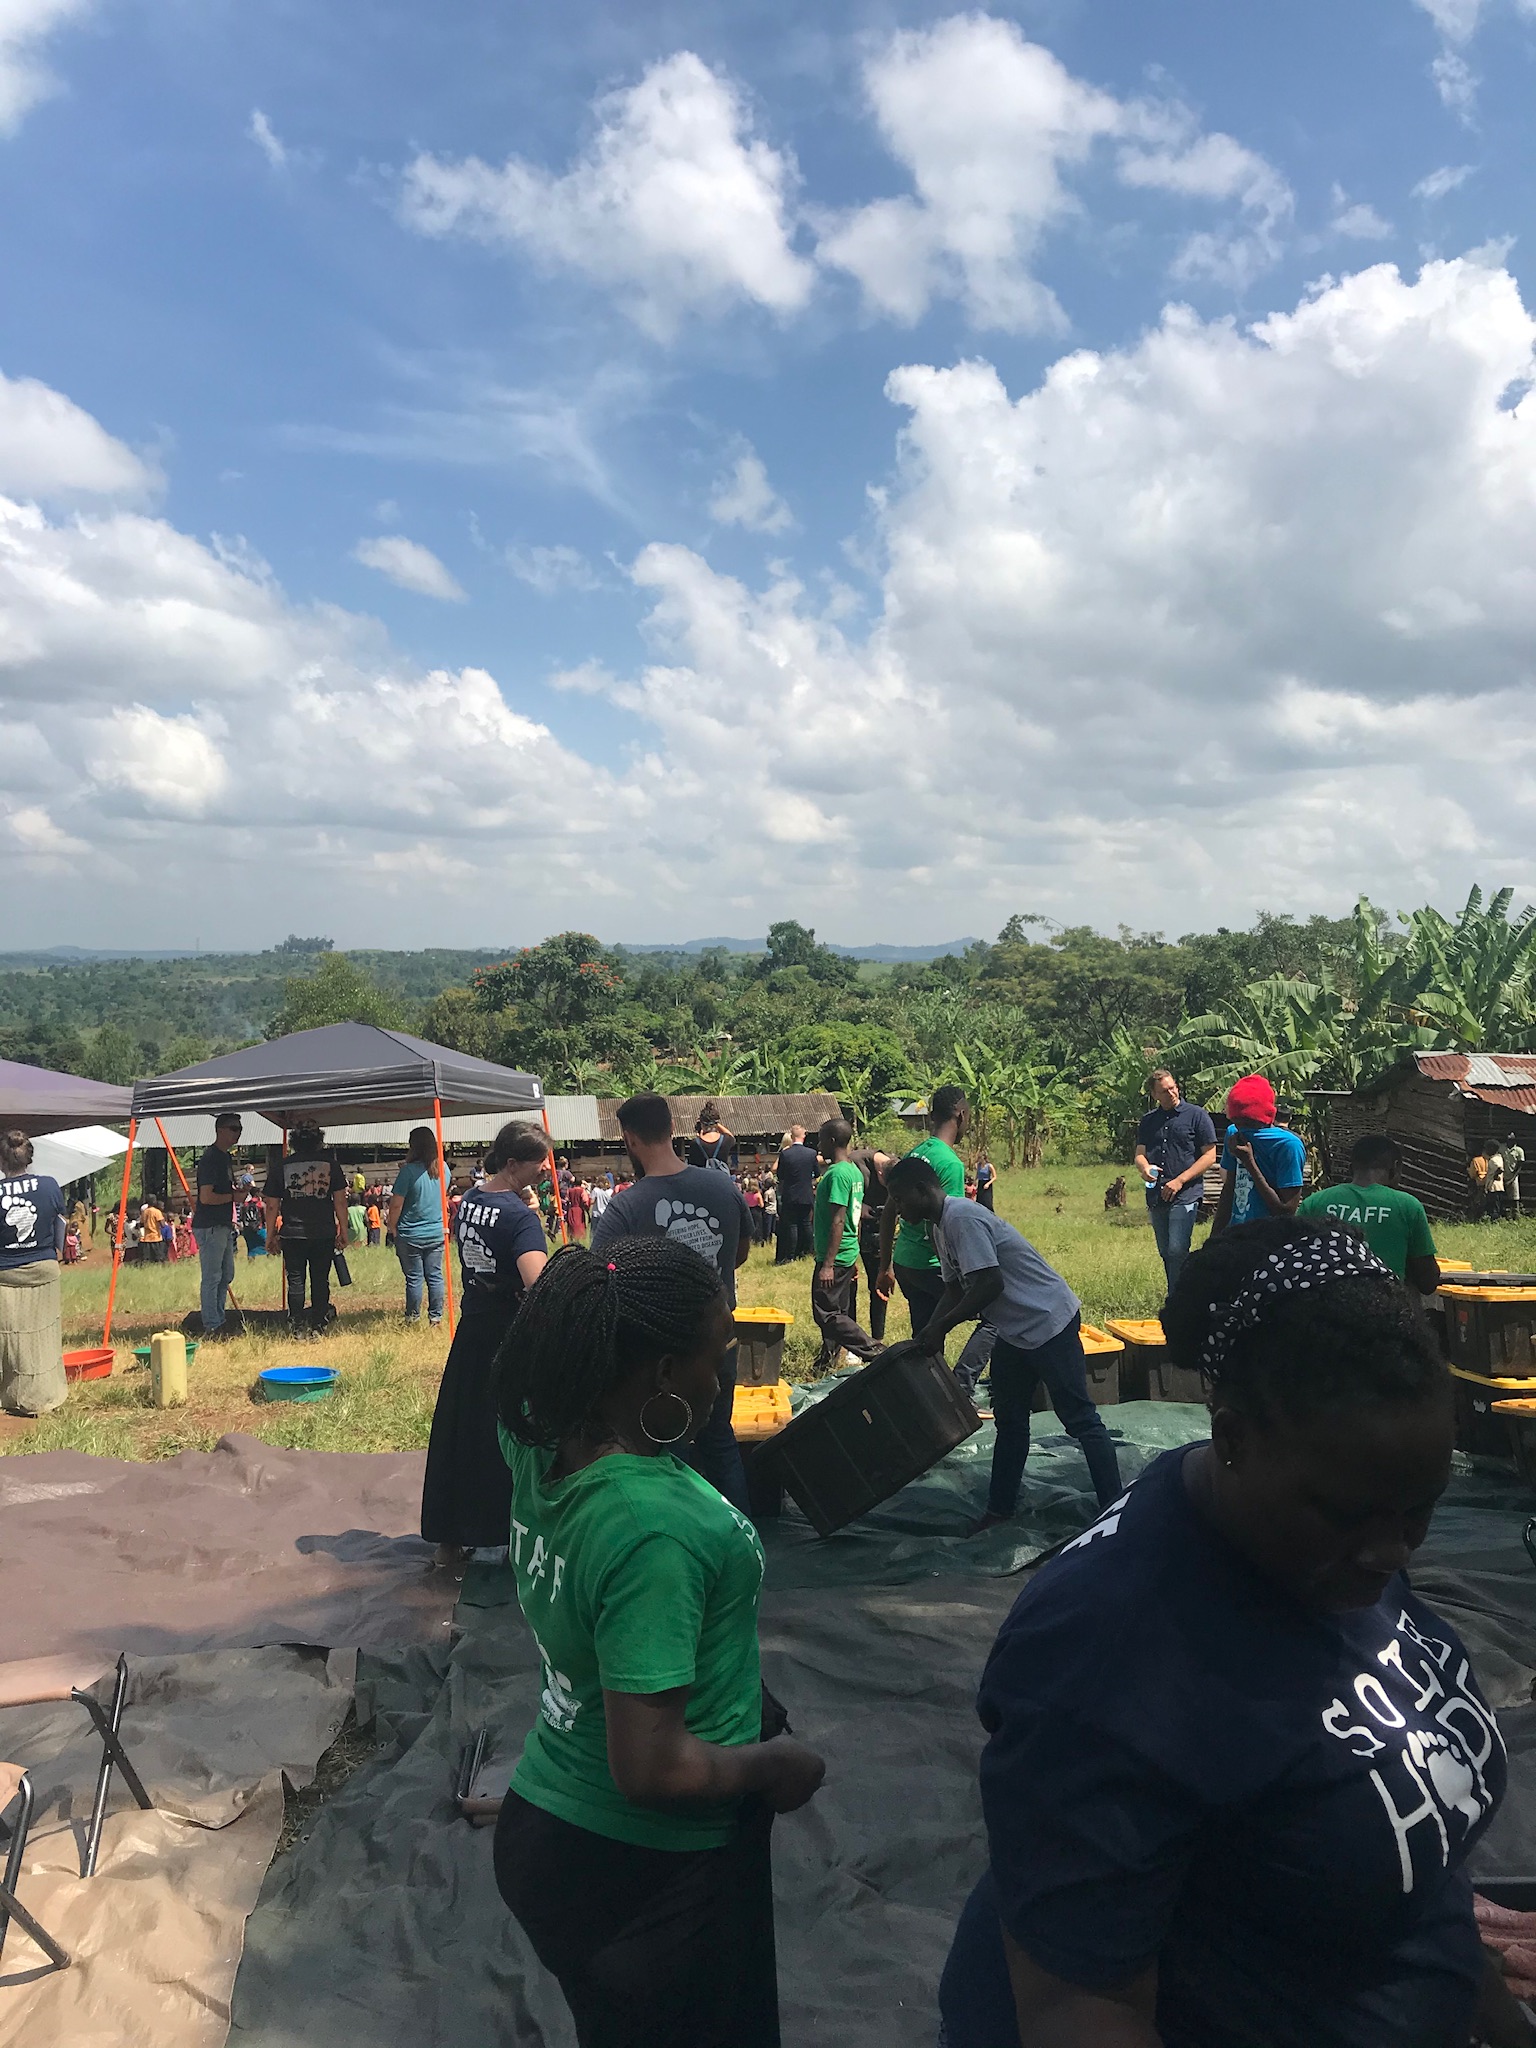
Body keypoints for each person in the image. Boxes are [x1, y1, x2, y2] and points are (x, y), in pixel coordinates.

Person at [937, 1216, 1523, 2048]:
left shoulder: (1326, 1545)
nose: (1393, 1552)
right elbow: (1080, 2010)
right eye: (1350, 1515)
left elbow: (1411, 1859)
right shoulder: (1108, 1654)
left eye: (1419, 1510)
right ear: (1233, 1439)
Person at [491, 1238, 826, 2048]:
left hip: (554, 1819)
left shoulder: (537, 1441)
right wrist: (775, 1765)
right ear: (666, 1374)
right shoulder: (657, 1530)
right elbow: (651, 1767)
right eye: (720, 1357)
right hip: (648, 1876)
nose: (726, 1378)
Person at [886, 1154, 1121, 1527]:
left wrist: (943, 1326)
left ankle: (1114, 1509)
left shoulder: (962, 1219)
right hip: (1014, 1331)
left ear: (922, 1189)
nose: (897, 1210)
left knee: (1079, 1419)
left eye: (900, 1199)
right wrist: (931, 1330)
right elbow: (953, 1288)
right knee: (1010, 1420)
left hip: (1048, 1322)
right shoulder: (939, 1228)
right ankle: (1000, 1509)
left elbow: (989, 1283)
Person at [591, 1094, 753, 1515]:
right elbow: (739, 1254)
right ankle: (740, 1535)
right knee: (720, 1441)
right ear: (673, 1129)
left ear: (629, 1138)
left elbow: (598, 1278)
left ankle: (675, 1537)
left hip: (660, 1357)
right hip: (720, 1340)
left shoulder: (626, 1207)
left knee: (664, 1449)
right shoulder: (723, 1188)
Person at [422, 1122, 551, 1569]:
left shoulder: (472, 1200)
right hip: (511, 1335)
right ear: (513, 1163)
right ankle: (517, 1532)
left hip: (473, 1328)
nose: (545, 1171)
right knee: (515, 1435)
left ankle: (449, 1539)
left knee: (460, 1431)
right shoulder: (519, 1219)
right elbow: (539, 1284)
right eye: (538, 1164)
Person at [876, 1085, 969, 1339]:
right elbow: (946, 1223)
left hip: (905, 1263)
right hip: (932, 1267)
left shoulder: (915, 1153)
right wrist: (959, 1273)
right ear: (961, 1115)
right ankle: (965, 1368)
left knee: (924, 1334)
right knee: (989, 1315)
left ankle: (922, 1366)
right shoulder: (950, 1164)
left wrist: (885, 1266)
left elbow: (889, 1211)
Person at [1298, 1134, 1442, 1292]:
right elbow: (1428, 1282)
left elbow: (1294, 1259)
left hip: (1323, 1301)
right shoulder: (1408, 1206)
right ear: (1395, 1168)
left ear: (1351, 1168)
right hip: (1386, 1302)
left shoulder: (1314, 1203)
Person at [1133, 1069, 1218, 1301]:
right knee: (1165, 1251)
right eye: (1164, 1091)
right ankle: (1180, 1294)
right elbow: (1140, 1154)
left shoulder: (1197, 1116)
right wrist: (1144, 1168)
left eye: (1173, 1088)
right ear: (1154, 1094)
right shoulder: (1149, 1121)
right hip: (1157, 1194)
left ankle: (1179, 1299)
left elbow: (1210, 1155)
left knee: (1177, 1249)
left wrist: (1180, 1180)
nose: (1171, 1093)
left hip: (1186, 1193)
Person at [0, 1130, 67, 1416]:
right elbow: (60, 1223)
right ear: (29, 1157)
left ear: (1, 1161)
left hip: (4, 1273)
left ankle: (9, 1394)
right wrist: (57, 1252)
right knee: (42, 1336)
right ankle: (42, 1395)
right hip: (43, 1270)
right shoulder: (49, 1185)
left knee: (7, 1336)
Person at [264, 1118, 349, 1333]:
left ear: (294, 1142)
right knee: (320, 1279)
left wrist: (270, 1235)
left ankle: (297, 1325)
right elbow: (340, 1201)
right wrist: (344, 1230)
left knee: (296, 1280)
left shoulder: (281, 1166)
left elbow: (272, 1205)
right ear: (319, 1141)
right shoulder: (331, 1165)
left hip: (292, 1232)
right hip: (323, 1231)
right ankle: (319, 1324)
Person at [811, 1119, 882, 1372]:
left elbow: (839, 1219)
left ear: (832, 1141)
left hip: (835, 1255)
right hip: (847, 1252)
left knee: (825, 1313)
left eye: (821, 1139)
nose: (818, 1145)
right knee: (838, 1311)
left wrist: (828, 1265)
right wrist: (854, 1254)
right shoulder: (854, 1172)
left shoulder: (838, 1174)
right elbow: (856, 1215)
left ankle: (873, 1350)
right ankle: (827, 1360)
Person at [1210, 1073, 1306, 1236]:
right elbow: (1229, 1190)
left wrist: (1249, 1163)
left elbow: (1286, 1211)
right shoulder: (1234, 1133)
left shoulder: (1288, 1146)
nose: (1242, 1128)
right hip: (1238, 1234)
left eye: (1248, 1123)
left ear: (1265, 1118)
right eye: (1236, 1122)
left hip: (1270, 1239)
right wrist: (1214, 1238)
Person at [387, 1127, 448, 1326]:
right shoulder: (443, 1169)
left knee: (414, 1278)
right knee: (435, 1276)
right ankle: (436, 1317)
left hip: (410, 1233)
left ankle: (412, 1318)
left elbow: (396, 1205)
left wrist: (391, 1227)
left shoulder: (408, 1171)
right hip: (436, 1232)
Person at [192, 1111, 243, 1337]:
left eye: (239, 1129)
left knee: (226, 1275)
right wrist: (233, 1197)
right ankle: (212, 1324)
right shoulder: (211, 1158)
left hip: (221, 1224)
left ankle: (218, 1319)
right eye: (234, 1128)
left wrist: (236, 1193)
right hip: (210, 1225)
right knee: (212, 1277)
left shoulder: (224, 1158)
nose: (238, 1133)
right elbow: (206, 1197)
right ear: (220, 1130)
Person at [849, 1145, 893, 1342]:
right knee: (849, 1285)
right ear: (880, 1172)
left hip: (879, 1231)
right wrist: (860, 1205)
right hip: (853, 1229)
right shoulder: (855, 1162)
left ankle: (877, 1339)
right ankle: (851, 1338)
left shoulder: (895, 1165)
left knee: (878, 1285)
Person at [773, 1126, 817, 1263]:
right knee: (806, 1224)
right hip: (806, 1194)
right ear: (803, 1136)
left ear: (791, 1137)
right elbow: (817, 1173)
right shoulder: (811, 1153)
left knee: (792, 1225)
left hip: (790, 1194)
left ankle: (790, 1255)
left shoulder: (786, 1154)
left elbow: (780, 1175)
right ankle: (807, 1252)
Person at [687, 1101, 740, 1174]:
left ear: (701, 1124)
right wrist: (717, 1124)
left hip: (703, 1179)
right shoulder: (726, 1140)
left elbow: (692, 1164)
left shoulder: (695, 1143)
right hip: (721, 1178)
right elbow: (731, 1136)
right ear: (716, 1123)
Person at [137, 1192, 167, 1264]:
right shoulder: (157, 1211)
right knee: (159, 1257)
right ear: (154, 1201)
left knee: (148, 1258)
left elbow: (141, 1223)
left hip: (147, 1237)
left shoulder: (145, 1212)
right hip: (156, 1237)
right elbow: (162, 1225)